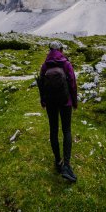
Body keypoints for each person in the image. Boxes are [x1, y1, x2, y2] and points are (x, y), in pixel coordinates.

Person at [39, 41, 78, 182]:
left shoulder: (45, 65)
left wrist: (43, 100)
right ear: (61, 49)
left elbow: (41, 84)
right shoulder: (66, 64)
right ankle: (67, 166)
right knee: (66, 130)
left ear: (49, 50)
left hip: (50, 103)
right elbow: (72, 83)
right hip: (65, 102)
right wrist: (74, 101)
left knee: (53, 130)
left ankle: (58, 162)